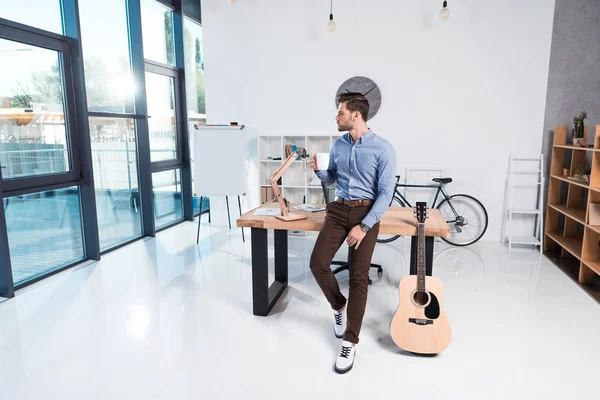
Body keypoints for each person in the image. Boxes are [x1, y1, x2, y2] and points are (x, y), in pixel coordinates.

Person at [309, 92, 396, 374]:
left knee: (359, 277)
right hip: (338, 210)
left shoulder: (383, 149)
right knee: (318, 264)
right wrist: (320, 172)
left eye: (340, 112)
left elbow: (385, 194)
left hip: (365, 212)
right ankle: (338, 305)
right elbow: (333, 176)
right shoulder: (339, 144)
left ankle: (350, 340)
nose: (337, 117)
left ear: (355, 115)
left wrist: (364, 226)